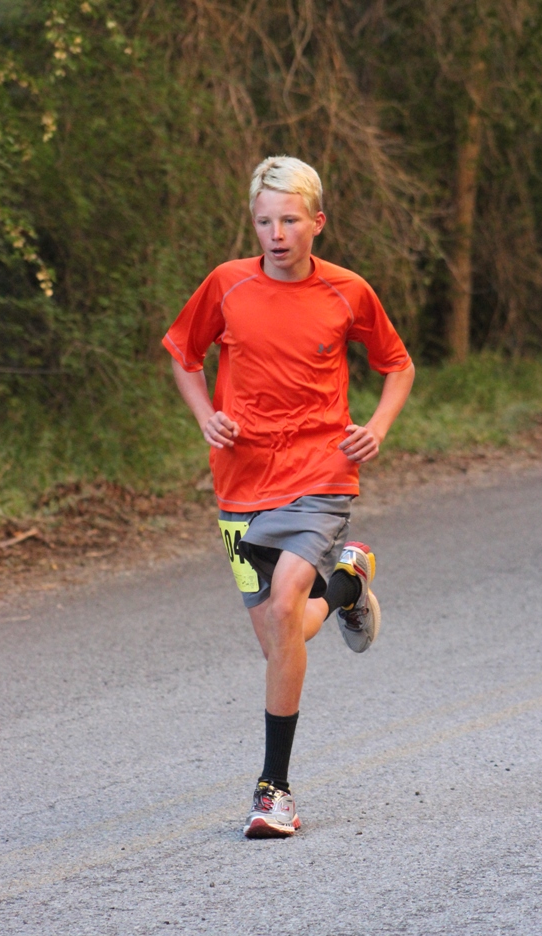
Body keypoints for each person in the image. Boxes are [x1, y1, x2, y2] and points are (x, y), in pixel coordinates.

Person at [163, 155, 415, 838]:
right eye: (264, 220)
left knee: (281, 607)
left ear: (317, 223)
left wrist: (378, 427)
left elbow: (396, 363)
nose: (276, 233)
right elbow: (184, 354)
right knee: (279, 633)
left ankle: (272, 790)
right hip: (241, 483)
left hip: (318, 475)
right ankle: (346, 587)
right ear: (254, 223)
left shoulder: (346, 292)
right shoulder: (226, 284)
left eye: (290, 220)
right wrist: (204, 416)